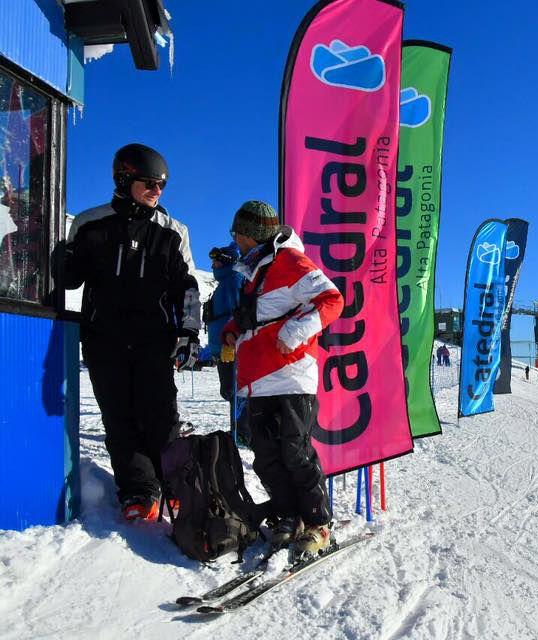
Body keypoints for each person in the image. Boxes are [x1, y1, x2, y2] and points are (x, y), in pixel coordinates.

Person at [59, 143, 201, 521]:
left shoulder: (173, 232)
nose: (157, 191)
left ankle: (176, 489)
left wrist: (189, 331)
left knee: (160, 417)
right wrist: (64, 260)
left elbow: (187, 288)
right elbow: (71, 280)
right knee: (119, 418)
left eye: (162, 186)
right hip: (104, 339)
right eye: (149, 183)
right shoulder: (90, 224)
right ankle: (139, 492)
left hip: (154, 339)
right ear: (124, 180)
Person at [222, 201, 344, 555]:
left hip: (291, 375)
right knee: (266, 455)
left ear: (251, 235)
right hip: (257, 378)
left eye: (239, 233)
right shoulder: (254, 271)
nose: (235, 239)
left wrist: (296, 331)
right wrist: (231, 332)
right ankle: (288, 515)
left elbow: (332, 300)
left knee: (295, 452)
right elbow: (251, 317)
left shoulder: (291, 262)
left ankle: (319, 523)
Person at [207, 243, 250, 444]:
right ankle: (238, 430)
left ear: (227, 261)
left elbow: (237, 314)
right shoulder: (225, 282)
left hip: (230, 346)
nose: (213, 265)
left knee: (236, 391)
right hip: (222, 347)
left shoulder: (234, 280)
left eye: (216, 261)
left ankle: (242, 432)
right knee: (230, 391)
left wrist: (232, 340)